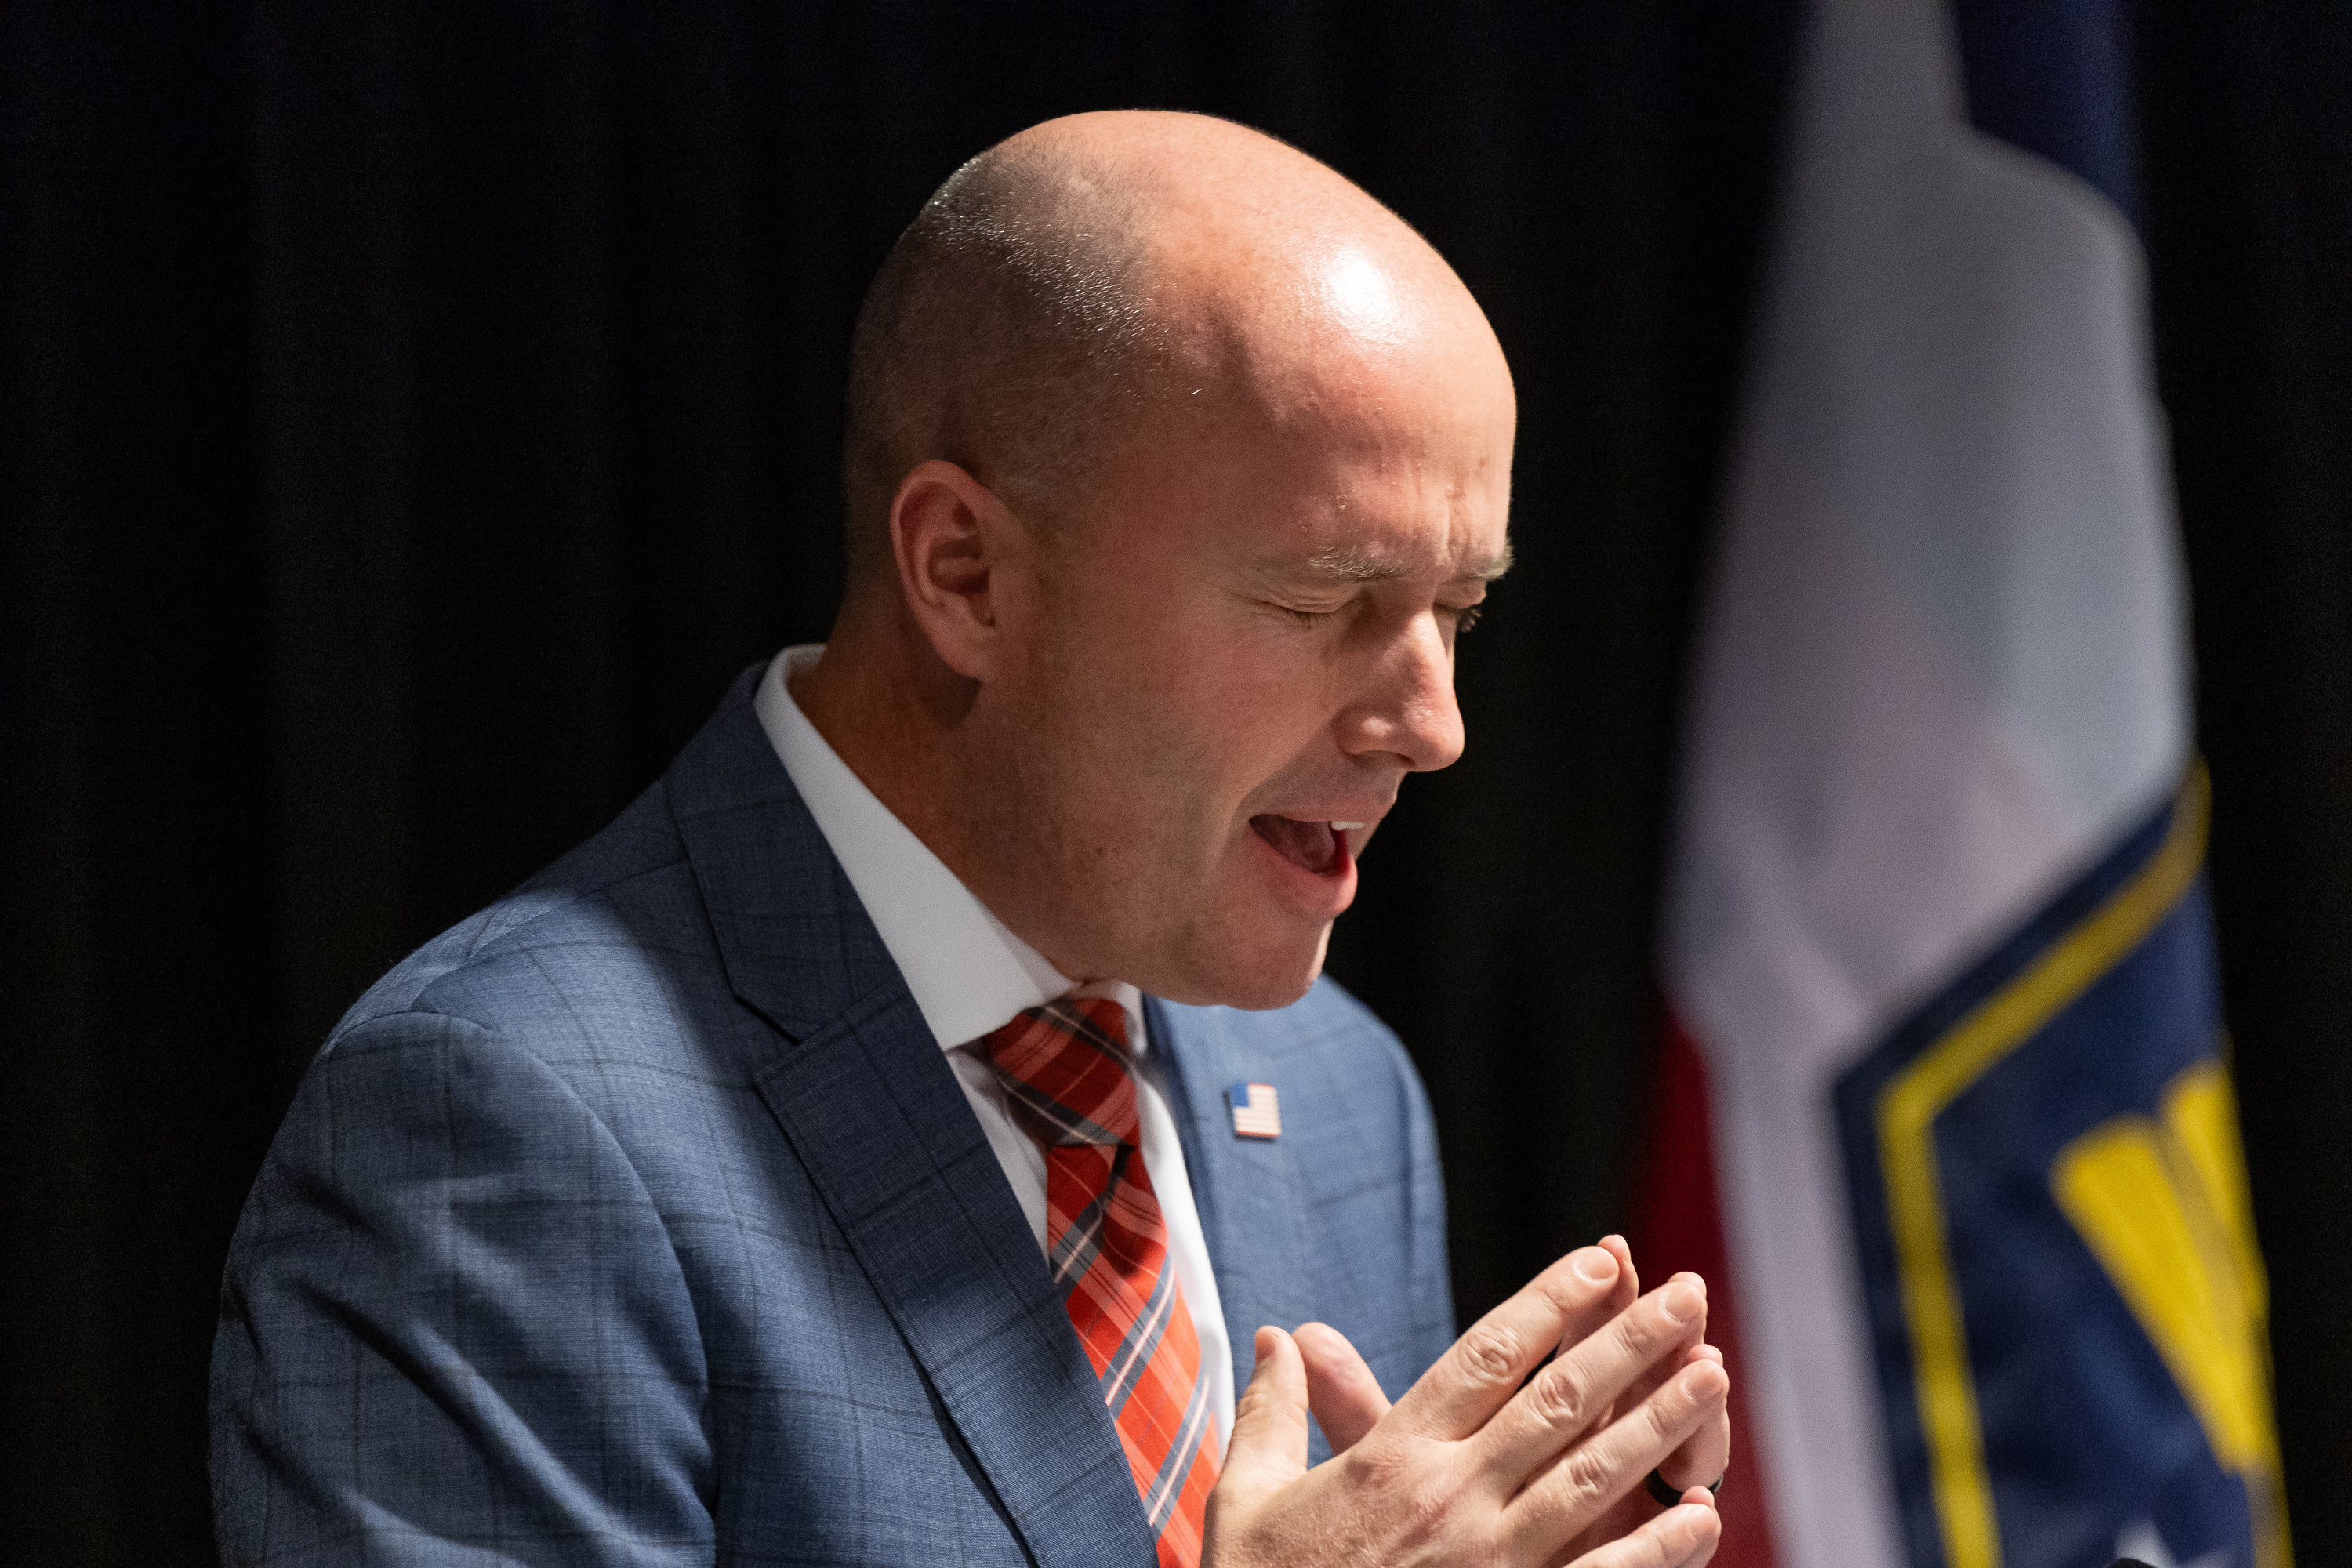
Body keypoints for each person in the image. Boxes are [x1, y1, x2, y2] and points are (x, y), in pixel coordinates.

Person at [211, 110, 1730, 1566]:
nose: (1433, 721)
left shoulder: (1338, 1091)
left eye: (1459, 613)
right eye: (1322, 602)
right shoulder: (501, 1125)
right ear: (966, 573)